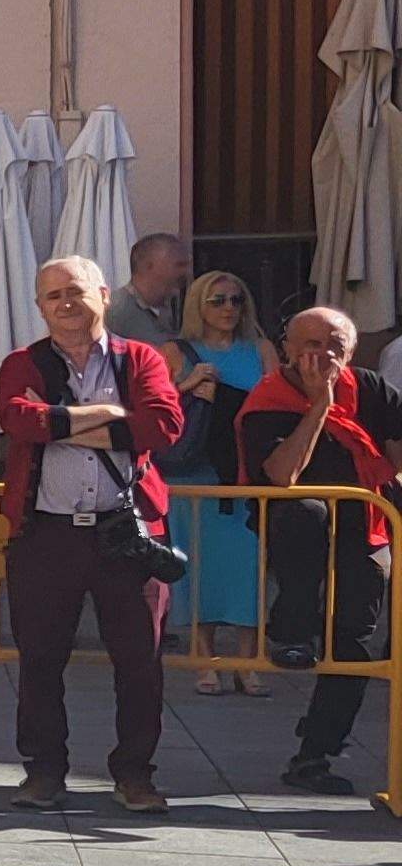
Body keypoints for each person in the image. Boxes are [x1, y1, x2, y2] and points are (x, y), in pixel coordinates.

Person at [0, 255, 185, 813]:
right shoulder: (22, 362)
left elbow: (164, 425)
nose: (66, 303)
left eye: (76, 291)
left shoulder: (142, 357)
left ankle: (135, 774)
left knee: (140, 661)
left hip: (126, 535)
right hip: (45, 535)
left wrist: (62, 423)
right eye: (53, 296)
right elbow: (17, 419)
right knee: (39, 659)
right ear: (40, 307)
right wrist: (106, 417)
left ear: (103, 294)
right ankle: (44, 772)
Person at [242, 306, 402, 796]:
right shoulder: (270, 395)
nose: (321, 354)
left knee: (352, 642)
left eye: (334, 345)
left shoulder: (371, 388)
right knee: (308, 510)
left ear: (350, 352)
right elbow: (283, 474)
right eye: (310, 344)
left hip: (366, 528)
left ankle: (316, 753)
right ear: (287, 347)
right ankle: (290, 627)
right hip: (298, 528)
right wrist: (320, 404)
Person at [167, 270, 273, 695]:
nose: (229, 308)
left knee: (249, 569)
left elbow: (277, 406)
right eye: (218, 300)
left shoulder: (261, 350)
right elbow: (155, 412)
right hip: (196, 475)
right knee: (198, 567)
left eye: (236, 299)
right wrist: (189, 386)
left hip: (245, 475)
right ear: (199, 305)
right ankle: (204, 658)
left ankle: (247, 661)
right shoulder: (177, 352)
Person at [106, 231, 190, 356]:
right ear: (148, 266)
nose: (186, 272)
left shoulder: (169, 309)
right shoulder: (116, 311)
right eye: (179, 265)